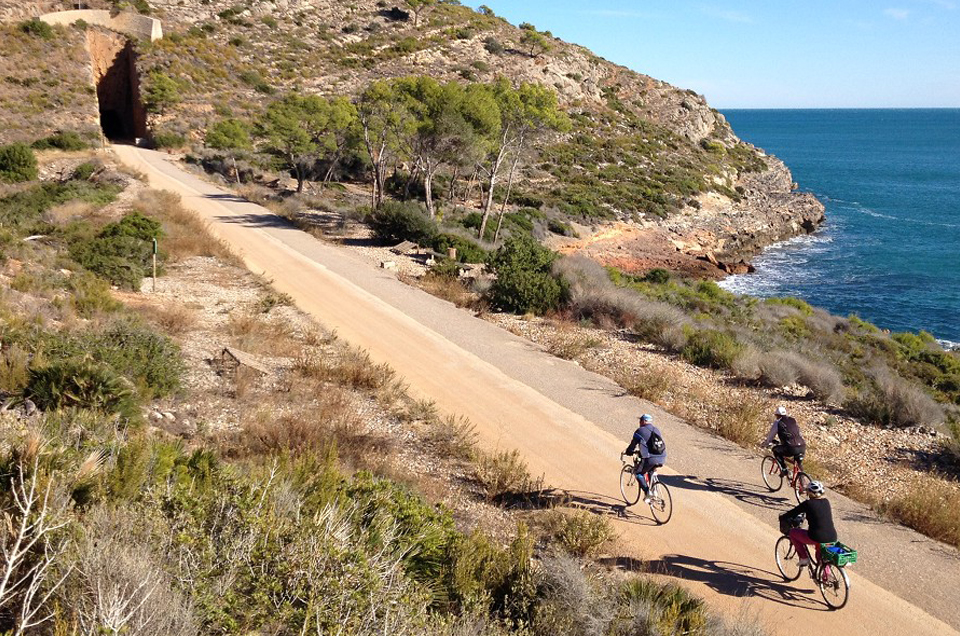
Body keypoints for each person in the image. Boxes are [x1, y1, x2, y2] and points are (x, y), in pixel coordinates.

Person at [779, 480, 837, 566]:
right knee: (821, 555)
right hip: (832, 537)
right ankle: (826, 574)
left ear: (809, 493)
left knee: (793, 533)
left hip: (816, 537)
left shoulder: (808, 503)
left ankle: (804, 558)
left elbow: (793, 512)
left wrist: (782, 517)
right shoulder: (826, 502)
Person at [623, 413, 667, 504]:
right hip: (662, 457)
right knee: (651, 470)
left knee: (639, 473)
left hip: (650, 458)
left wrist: (629, 452)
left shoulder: (640, 431)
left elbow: (633, 445)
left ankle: (648, 492)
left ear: (643, 421)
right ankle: (654, 490)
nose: (639, 423)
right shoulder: (656, 430)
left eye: (640, 421)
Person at [762, 405, 806, 474]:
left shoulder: (778, 422)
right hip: (802, 446)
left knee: (775, 450)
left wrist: (767, 442)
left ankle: (784, 469)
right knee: (798, 463)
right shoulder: (792, 420)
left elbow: (771, 435)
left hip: (791, 447)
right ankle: (803, 481)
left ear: (777, 415)